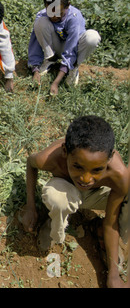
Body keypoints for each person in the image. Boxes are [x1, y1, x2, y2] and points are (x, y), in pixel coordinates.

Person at [20, 115, 129, 288]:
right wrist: (30, 206)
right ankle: (54, 222)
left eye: (97, 170)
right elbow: (30, 163)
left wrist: (114, 275)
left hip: (98, 196)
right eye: (78, 167)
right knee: (57, 199)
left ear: (109, 158)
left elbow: (111, 220)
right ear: (65, 151)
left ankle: (103, 237)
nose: (86, 178)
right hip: (66, 189)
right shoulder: (50, 158)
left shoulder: (119, 175)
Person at [27, 0, 101, 95]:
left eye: (59, 13)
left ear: (67, 6)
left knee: (92, 37)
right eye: (50, 12)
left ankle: (73, 67)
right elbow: (35, 45)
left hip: (74, 49)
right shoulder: (42, 15)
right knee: (40, 22)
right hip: (56, 47)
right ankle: (50, 59)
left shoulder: (74, 17)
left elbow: (71, 48)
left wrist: (56, 82)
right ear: (45, 5)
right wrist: (35, 70)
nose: (53, 16)